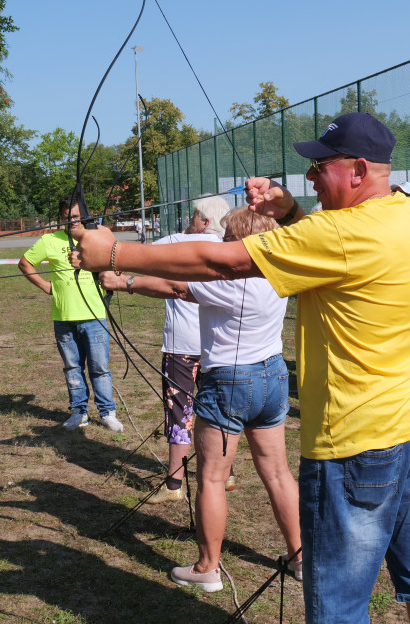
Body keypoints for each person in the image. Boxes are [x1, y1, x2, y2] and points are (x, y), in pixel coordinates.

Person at [71, 112, 410, 624]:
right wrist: (293, 212)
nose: (313, 176)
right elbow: (340, 248)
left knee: (336, 601)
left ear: (360, 169)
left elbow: (221, 260)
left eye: (321, 167)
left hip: (358, 443)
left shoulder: (343, 233)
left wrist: (114, 255)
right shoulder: (409, 214)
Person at [107, 207, 300, 593]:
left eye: (228, 237)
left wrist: (122, 280)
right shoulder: (282, 270)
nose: (222, 243)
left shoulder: (230, 276)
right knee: (277, 472)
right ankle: (302, 559)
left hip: (230, 380)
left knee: (211, 476)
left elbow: (173, 285)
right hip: (273, 375)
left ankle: (207, 568)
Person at [102, 195, 230, 504]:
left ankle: (174, 485)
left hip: (182, 347)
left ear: (206, 222)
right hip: (218, 346)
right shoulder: (230, 248)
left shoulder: (177, 242)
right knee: (220, 412)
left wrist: (106, 249)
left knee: (179, 412)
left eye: (195, 215)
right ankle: (226, 474)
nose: (190, 220)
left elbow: (127, 255)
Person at [19, 196, 122, 432]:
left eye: (76, 217)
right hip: (63, 318)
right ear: (60, 219)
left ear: (85, 215)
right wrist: (45, 285)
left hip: (95, 316)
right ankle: (79, 412)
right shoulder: (49, 240)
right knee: (72, 368)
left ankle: (107, 413)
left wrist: (95, 263)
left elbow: (118, 264)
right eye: (67, 218)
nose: (72, 221)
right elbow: (25, 263)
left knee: (99, 367)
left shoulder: (96, 236)